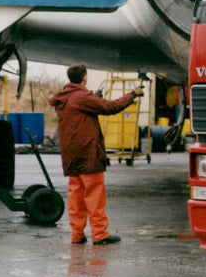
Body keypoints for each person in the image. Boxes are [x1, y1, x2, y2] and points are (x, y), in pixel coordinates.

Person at [49, 64, 144, 245]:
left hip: (71, 155)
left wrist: (95, 97)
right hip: (88, 153)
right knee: (94, 195)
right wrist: (132, 95)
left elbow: (79, 111)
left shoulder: (64, 97)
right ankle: (100, 234)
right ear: (84, 77)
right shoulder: (83, 96)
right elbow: (111, 107)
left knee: (75, 196)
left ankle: (77, 235)